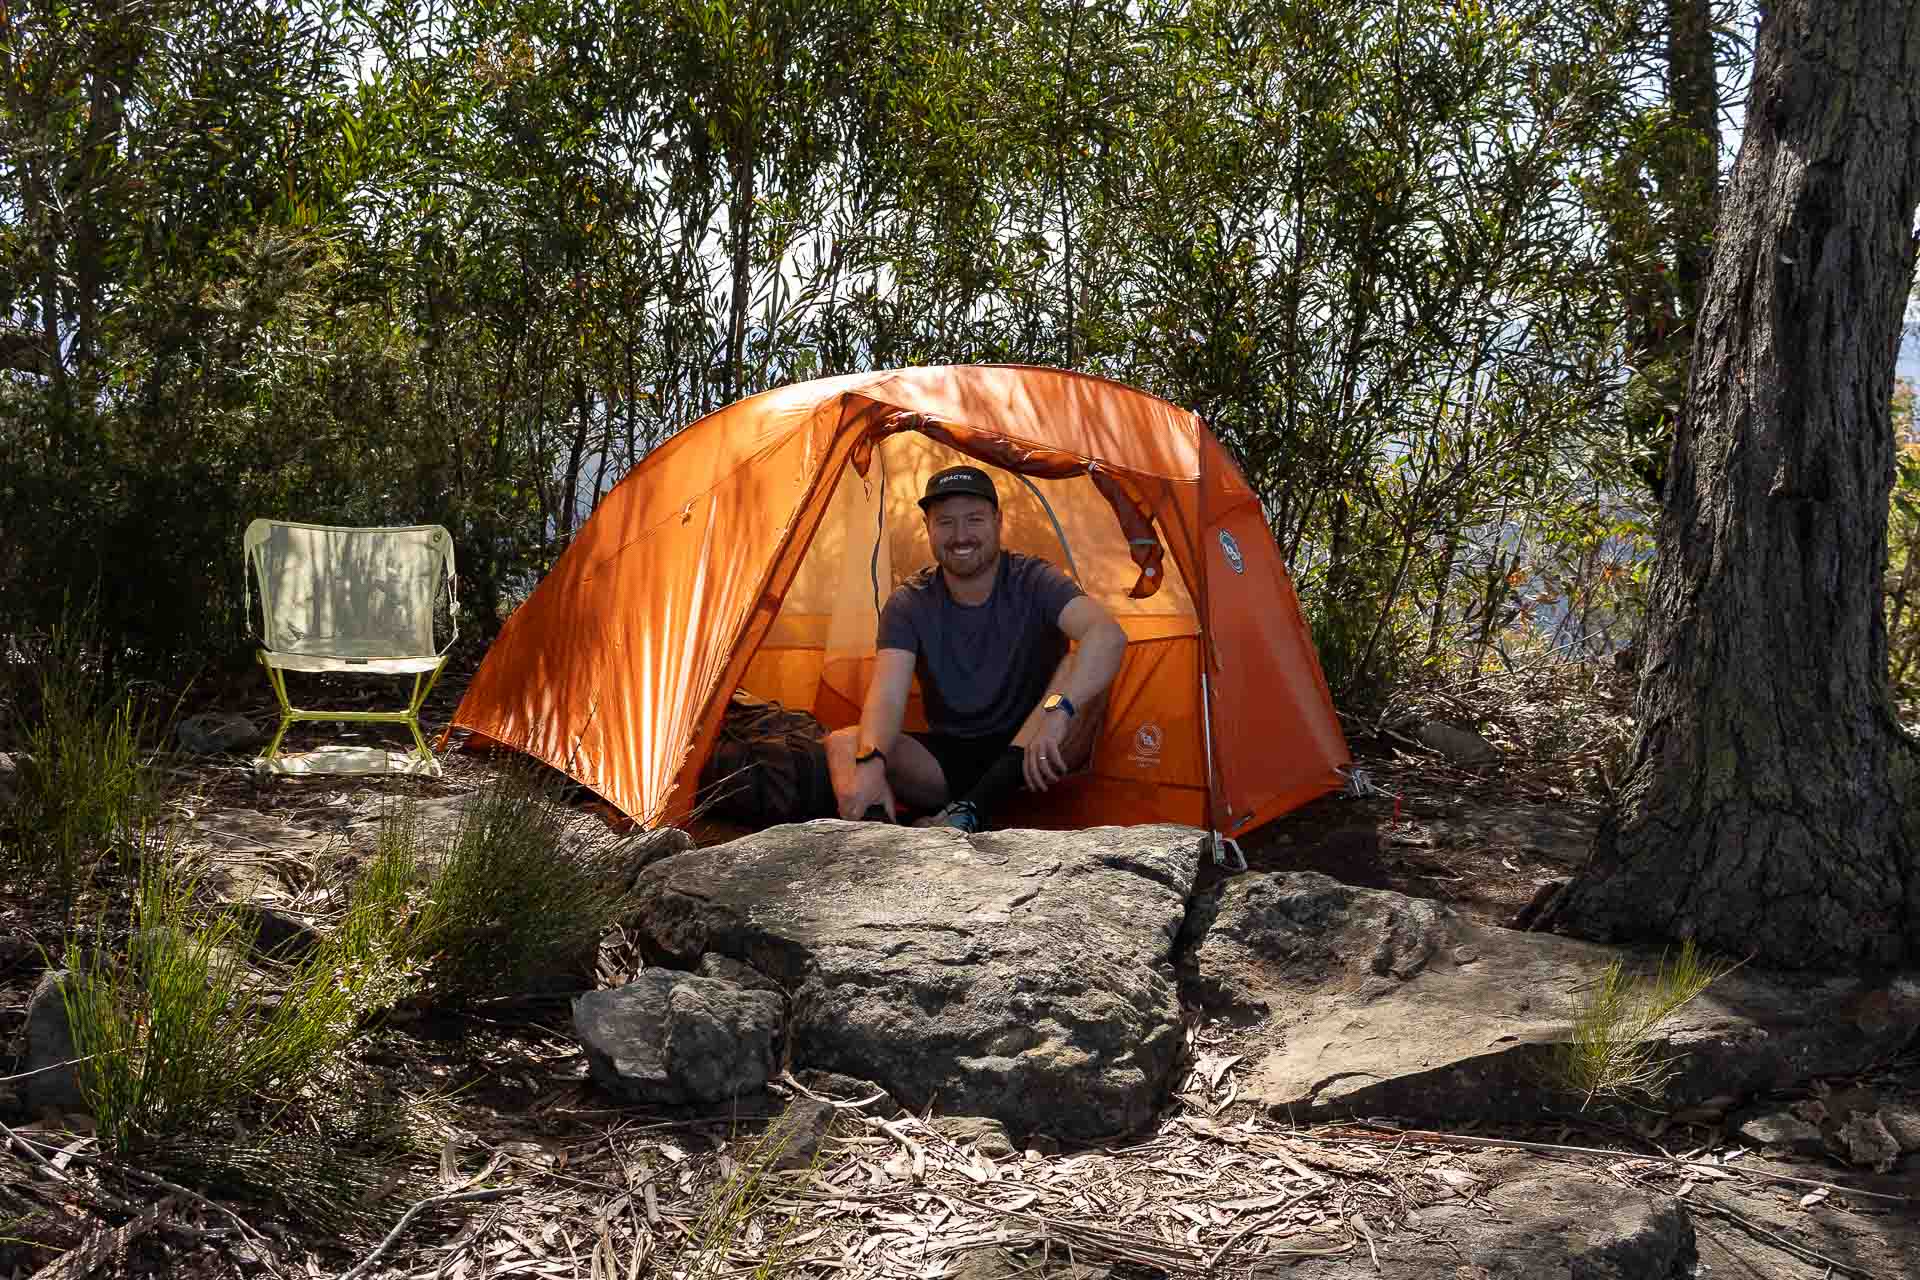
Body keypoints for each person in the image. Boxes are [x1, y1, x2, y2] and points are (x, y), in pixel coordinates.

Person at [826, 464, 1128, 832]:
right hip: (953, 757)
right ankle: (886, 841)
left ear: (998, 521)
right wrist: (871, 762)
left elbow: (1107, 633)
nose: (961, 535)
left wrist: (1058, 712)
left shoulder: (1033, 579)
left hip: (1036, 749)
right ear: (928, 529)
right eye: (946, 523)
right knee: (845, 746)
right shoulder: (909, 602)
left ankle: (968, 813)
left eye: (973, 520)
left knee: (1075, 662)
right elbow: (887, 694)